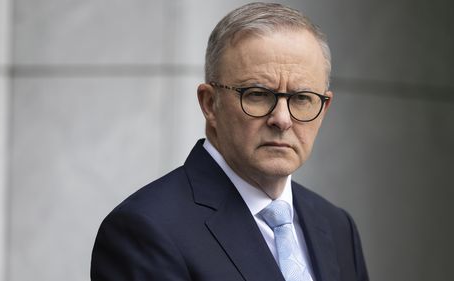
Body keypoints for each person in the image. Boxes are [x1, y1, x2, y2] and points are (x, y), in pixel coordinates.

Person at [91, 2, 369, 281]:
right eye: (257, 94)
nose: (282, 119)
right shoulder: (145, 229)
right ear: (210, 104)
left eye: (301, 98)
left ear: (324, 108)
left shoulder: (337, 226)